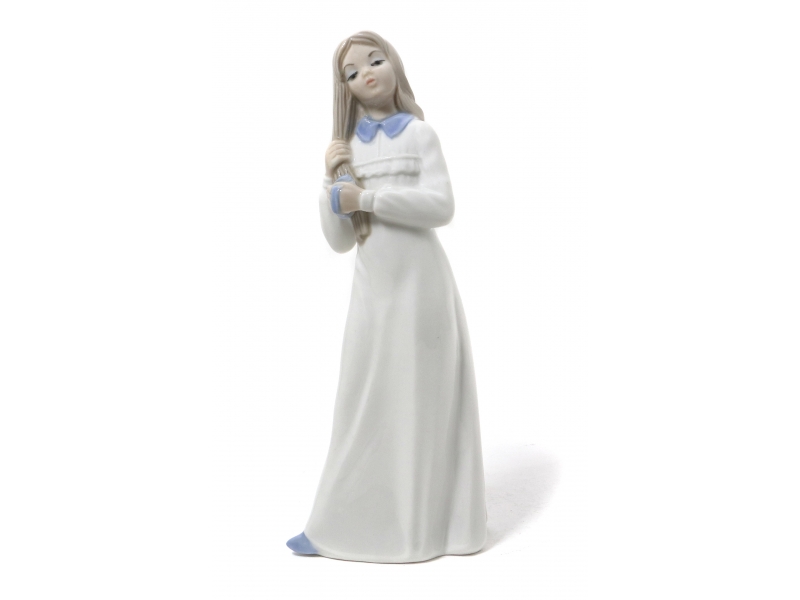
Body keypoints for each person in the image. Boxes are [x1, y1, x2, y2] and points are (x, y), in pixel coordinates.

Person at [286, 31, 487, 563]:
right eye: (353, 72)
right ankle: (338, 523)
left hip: (421, 288)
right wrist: (329, 186)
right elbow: (339, 241)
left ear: (394, 63)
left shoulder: (420, 135)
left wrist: (368, 197)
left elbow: (441, 206)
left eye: (375, 61)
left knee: (419, 399)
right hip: (373, 291)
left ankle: (424, 528)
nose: (367, 74)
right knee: (361, 400)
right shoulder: (347, 149)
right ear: (345, 88)